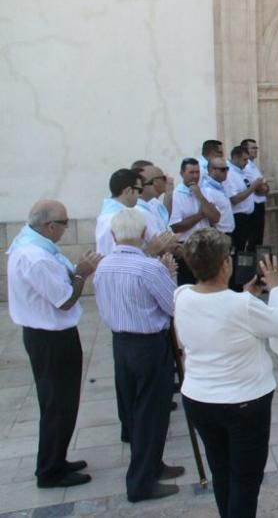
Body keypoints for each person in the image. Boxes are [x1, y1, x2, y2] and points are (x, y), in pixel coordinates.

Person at [174, 229, 278, 517]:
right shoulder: (242, 306)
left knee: (222, 472)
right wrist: (277, 288)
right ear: (225, 264)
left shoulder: (182, 295)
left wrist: (249, 293)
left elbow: (219, 309)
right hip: (244, 403)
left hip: (199, 399)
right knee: (245, 479)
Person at [6, 200, 102, 488]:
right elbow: (64, 300)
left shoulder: (32, 244)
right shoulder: (37, 257)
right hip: (50, 338)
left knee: (59, 402)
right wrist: (83, 272)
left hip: (47, 335)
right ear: (49, 226)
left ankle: (57, 459)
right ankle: (50, 470)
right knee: (58, 404)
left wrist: (76, 271)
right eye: (64, 223)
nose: (66, 228)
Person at [93, 209, 184, 502]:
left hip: (122, 344)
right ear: (145, 235)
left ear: (112, 235)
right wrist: (169, 275)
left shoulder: (104, 266)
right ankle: (141, 482)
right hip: (148, 345)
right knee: (151, 413)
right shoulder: (148, 268)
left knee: (136, 409)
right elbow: (172, 307)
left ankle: (152, 465)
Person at [169, 158, 221, 285]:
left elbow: (215, 217)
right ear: (182, 173)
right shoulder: (176, 195)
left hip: (205, 245)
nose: (195, 176)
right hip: (186, 246)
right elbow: (176, 226)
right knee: (188, 284)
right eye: (191, 172)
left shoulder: (202, 191)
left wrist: (199, 196)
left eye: (197, 172)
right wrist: (200, 215)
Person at [225, 145, 264, 254]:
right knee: (238, 249)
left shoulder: (242, 171)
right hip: (238, 217)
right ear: (236, 158)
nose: (247, 163)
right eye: (244, 159)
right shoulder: (229, 173)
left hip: (248, 216)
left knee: (247, 248)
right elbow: (235, 199)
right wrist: (253, 187)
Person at [95, 168, 143, 256]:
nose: (140, 195)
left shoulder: (105, 215)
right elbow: (123, 253)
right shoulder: (118, 217)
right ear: (128, 190)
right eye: (139, 190)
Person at [241, 138, 270, 249]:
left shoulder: (253, 166)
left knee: (258, 238)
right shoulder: (246, 167)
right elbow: (258, 188)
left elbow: (265, 187)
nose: (256, 150)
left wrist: (264, 187)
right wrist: (262, 187)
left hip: (259, 205)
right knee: (253, 238)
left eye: (256, 148)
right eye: (253, 148)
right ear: (245, 149)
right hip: (253, 206)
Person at [204, 157, 236, 236]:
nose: (226, 172)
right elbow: (210, 217)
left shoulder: (222, 185)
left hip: (229, 231)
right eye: (222, 169)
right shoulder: (207, 190)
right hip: (220, 234)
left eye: (227, 169)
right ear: (212, 170)